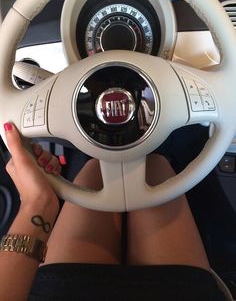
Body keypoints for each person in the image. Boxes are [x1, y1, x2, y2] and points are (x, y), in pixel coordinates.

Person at [0, 122, 228, 300]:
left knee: (97, 169)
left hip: (66, 291)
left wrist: (39, 202)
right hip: (174, 293)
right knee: (152, 166)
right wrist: (36, 202)